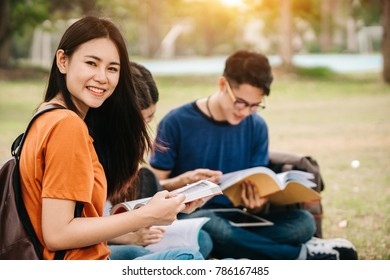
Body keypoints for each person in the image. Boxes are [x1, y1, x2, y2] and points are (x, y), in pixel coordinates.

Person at [18, 16, 203, 260]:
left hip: (89, 256)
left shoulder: (46, 114)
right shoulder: (66, 125)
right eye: (91, 63)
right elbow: (58, 234)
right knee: (186, 258)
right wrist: (147, 216)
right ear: (63, 61)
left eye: (112, 68)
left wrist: (166, 203)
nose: (103, 77)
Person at [149, 50, 358, 260]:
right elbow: (153, 185)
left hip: (241, 220)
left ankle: (241, 249)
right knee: (209, 227)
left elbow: (257, 182)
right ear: (223, 85)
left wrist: (257, 201)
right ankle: (300, 255)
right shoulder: (176, 122)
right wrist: (183, 181)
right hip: (193, 217)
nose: (245, 112)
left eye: (255, 105)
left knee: (303, 223)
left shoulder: (257, 125)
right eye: (240, 102)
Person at [106, 61, 213, 259]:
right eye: (139, 120)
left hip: (125, 224)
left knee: (202, 240)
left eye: (150, 117)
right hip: (100, 240)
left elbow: (120, 201)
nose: (144, 128)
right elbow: (76, 227)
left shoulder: (125, 147)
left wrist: (178, 193)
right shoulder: (88, 146)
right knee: (147, 252)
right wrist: (127, 237)